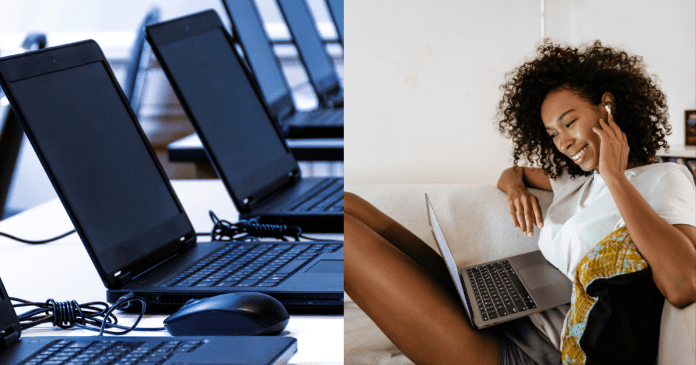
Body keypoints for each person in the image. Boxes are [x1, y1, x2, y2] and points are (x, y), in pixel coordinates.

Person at [345, 40, 696, 365]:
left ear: (607, 107)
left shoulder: (665, 179)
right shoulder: (576, 183)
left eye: (569, 123)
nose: (564, 144)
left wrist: (615, 176)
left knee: (345, 230)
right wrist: (515, 190)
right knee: (350, 204)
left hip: (536, 353)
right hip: (517, 317)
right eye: (553, 134)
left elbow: (684, 285)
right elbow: (513, 172)